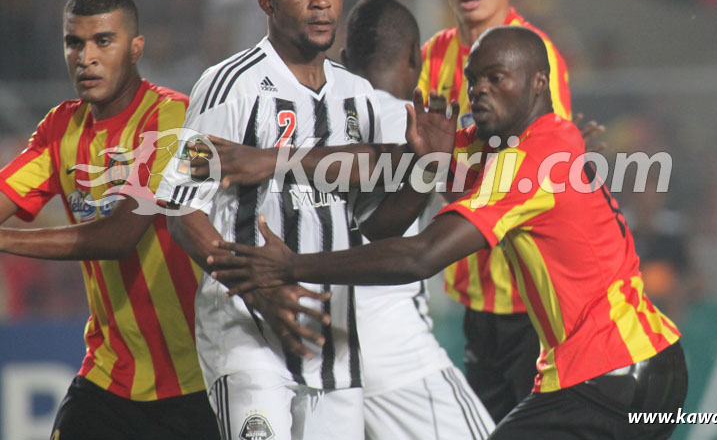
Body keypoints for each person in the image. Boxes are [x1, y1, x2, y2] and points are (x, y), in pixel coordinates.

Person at [209, 27, 689, 440]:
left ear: (538, 83)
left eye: (495, 78)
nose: (478, 90)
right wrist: (426, 165)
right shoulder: (508, 144)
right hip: (644, 365)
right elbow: (382, 189)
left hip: (610, 373)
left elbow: (422, 255)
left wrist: (291, 265)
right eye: (472, 79)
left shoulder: (531, 160)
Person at [154, 0, 451, 440]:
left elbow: (378, 224)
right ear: (267, 1)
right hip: (247, 334)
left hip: (333, 343)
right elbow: (180, 207)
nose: (320, 2)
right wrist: (257, 287)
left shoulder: (357, 97)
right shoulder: (231, 84)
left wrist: (426, 168)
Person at [0, 0, 219, 440]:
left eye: (104, 41)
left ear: (136, 47)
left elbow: (120, 236)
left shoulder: (174, 120)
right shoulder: (60, 128)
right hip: (108, 375)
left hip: (196, 376)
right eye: (74, 42)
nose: (86, 57)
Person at [418, 0, 576, 422]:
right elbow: (418, 165)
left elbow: (539, 181)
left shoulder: (536, 57)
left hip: (532, 301)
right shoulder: (432, 58)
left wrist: (446, 168)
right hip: (475, 296)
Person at [341, 0, 494, 440]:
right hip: (395, 349)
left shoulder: (322, 118)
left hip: (320, 350)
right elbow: (489, 184)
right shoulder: (413, 123)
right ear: (415, 56)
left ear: (347, 58)